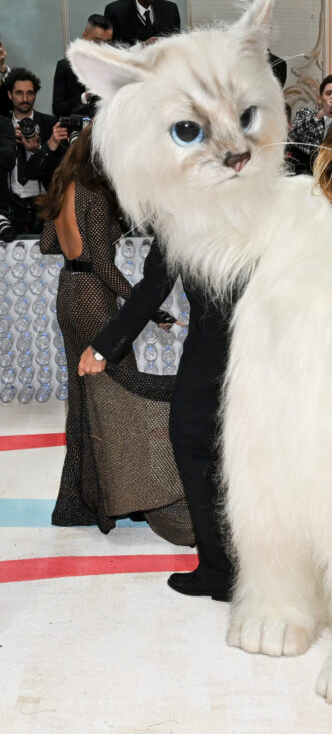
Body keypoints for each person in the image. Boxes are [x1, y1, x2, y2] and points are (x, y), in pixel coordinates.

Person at [78, 238, 235, 600]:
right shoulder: (271, 198)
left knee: (193, 442)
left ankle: (220, 570)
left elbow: (153, 288)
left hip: (213, 352)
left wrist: (104, 346)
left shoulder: (181, 211)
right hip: (271, 350)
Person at [38, 124, 136, 530]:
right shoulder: (95, 194)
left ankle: (80, 502)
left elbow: (47, 245)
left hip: (68, 295)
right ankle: (120, 499)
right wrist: (144, 304)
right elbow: (102, 265)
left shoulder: (64, 189)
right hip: (95, 299)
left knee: (82, 402)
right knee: (122, 394)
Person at [4, 67, 68, 233]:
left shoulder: (50, 124)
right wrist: (9, 140)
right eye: (19, 93)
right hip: (11, 208)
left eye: (30, 93)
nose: (25, 99)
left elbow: (63, 167)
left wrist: (40, 148)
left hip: (45, 206)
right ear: (10, 95)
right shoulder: (3, 126)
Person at [287, 74, 332, 173]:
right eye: (329, 93)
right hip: (303, 173)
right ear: (319, 99)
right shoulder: (306, 113)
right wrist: (322, 113)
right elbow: (292, 132)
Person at [52, 15, 113, 116]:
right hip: (76, 129)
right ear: (84, 36)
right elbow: (58, 109)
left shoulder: (115, 68)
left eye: (108, 42)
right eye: (97, 41)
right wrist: (86, 96)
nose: (102, 47)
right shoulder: (66, 67)